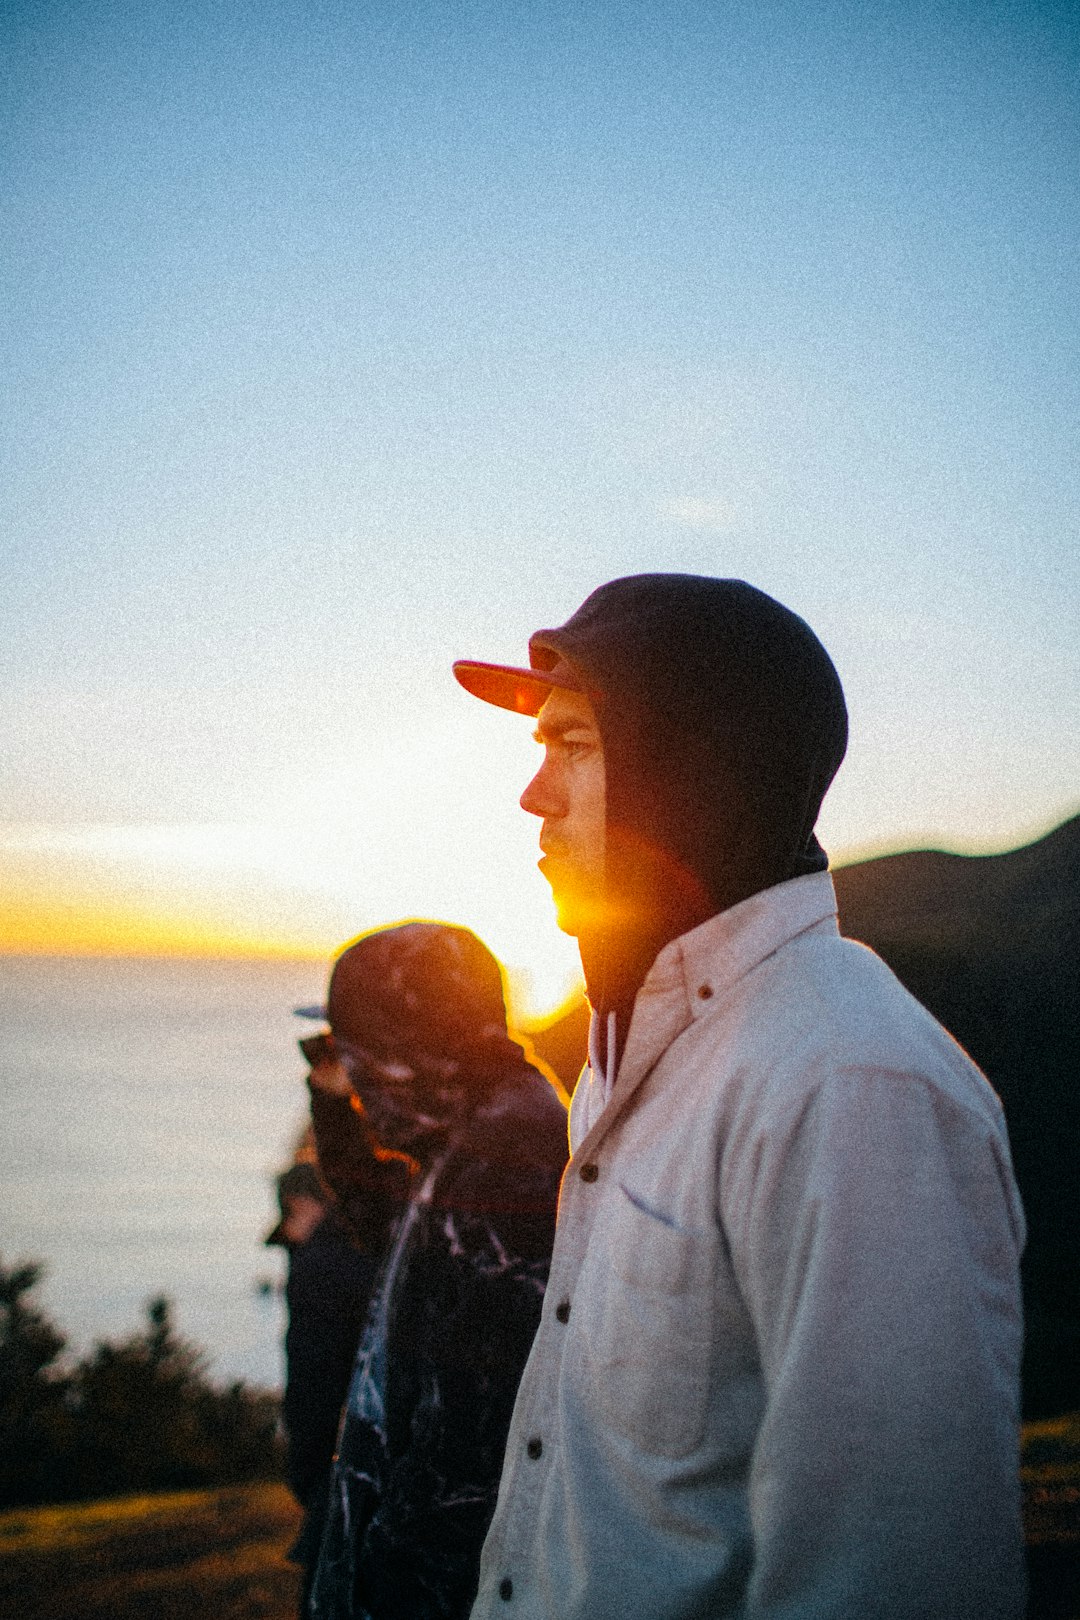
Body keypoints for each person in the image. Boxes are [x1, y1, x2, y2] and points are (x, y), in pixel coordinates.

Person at [452, 573, 1027, 1620]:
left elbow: (892, 1576)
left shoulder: (848, 1085)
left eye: (575, 745)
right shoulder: (637, 1046)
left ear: (696, 771)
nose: (534, 794)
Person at [304, 921, 569, 1620]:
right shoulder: (471, 1135)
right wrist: (329, 1104)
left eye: (353, 1058)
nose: (352, 1085)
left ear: (406, 1053)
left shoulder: (510, 1170)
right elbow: (378, 1217)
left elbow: (459, 1478)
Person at [265, 1162, 384, 1618]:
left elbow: (312, 1377)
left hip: (336, 1469)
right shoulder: (377, 1252)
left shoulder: (316, 1266)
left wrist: (304, 1469)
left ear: (299, 1204)